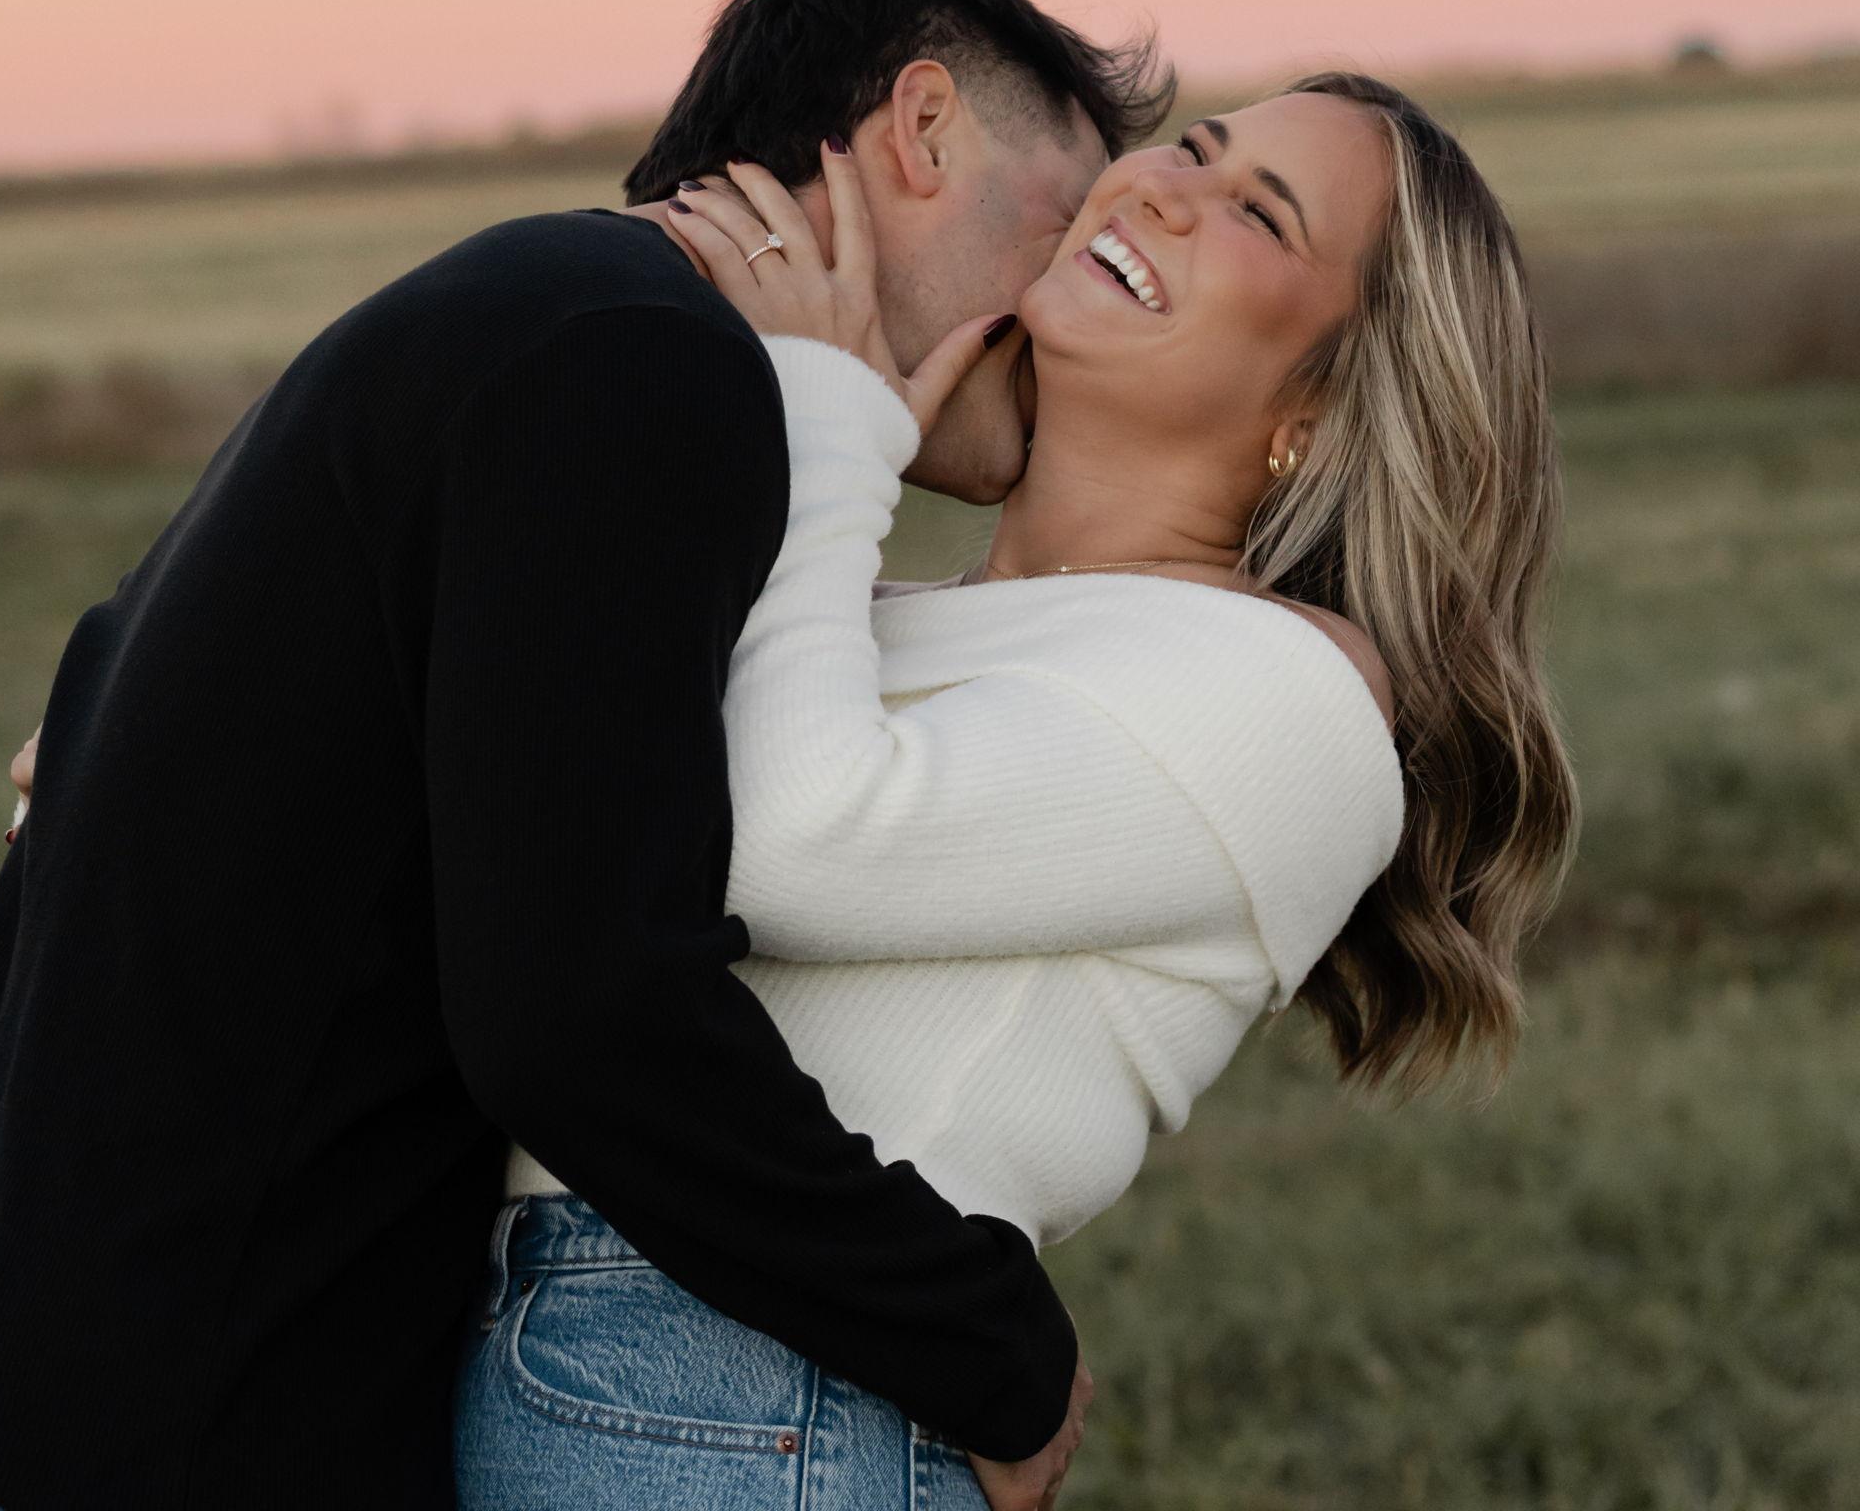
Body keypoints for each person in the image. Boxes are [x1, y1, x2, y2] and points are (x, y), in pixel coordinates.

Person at [0, 0, 1172, 1511]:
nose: (1063, 305)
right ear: (922, 129)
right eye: (1065, 223)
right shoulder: (640, 366)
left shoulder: (533, 313)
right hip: (70, 1460)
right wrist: (989, 1342)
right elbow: (584, 1014)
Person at [450, 78, 1581, 1506]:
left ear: (1319, 404)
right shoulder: (886, 611)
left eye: (1259, 214)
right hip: (576, 1340)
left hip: (745, 1379)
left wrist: (826, 411)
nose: (1163, 185)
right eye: (1194, 147)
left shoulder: (1291, 695)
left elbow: (785, 838)